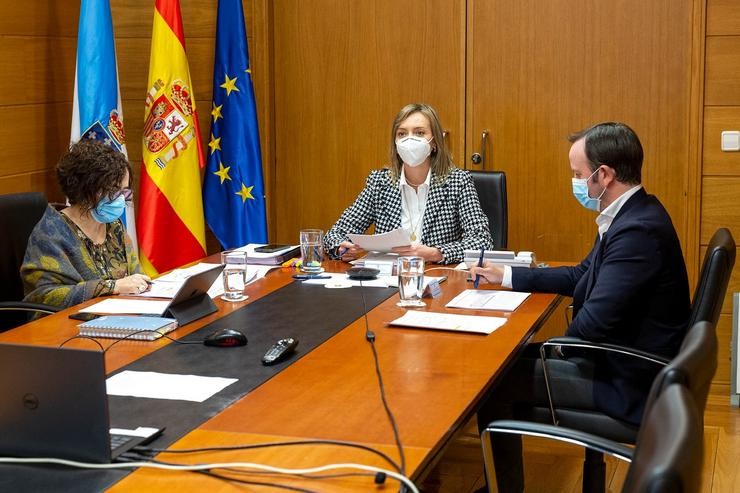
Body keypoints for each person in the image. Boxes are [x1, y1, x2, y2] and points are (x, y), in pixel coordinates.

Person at [470, 122, 690, 492]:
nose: (575, 183)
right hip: (625, 360)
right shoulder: (630, 214)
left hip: (628, 380)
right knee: (508, 363)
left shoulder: (637, 230)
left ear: (603, 175)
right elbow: (579, 275)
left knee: (495, 380)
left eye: (578, 174)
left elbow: (592, 324)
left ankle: (504, 489)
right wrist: (507, 276)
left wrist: (554, 352)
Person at [323, 103, 493, 264]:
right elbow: (336, 233)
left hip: (437, 278)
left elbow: (482, 241)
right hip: (388, 280)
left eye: (419, 133)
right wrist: (340, 248)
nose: (409, 140)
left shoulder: (458, 182)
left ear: (434, 142)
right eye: (402, 134)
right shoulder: (379, 183)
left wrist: (436, 253)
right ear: (395, 143)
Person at [21, 140, 150, 310]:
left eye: (124, 191)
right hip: (66, 327)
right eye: (113, 191)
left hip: (117, 318)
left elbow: (136, 276)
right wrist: (113, 287)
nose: (120, 199)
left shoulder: (114, 226)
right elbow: (44, 297)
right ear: (84, 190)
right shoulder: (50, 233)